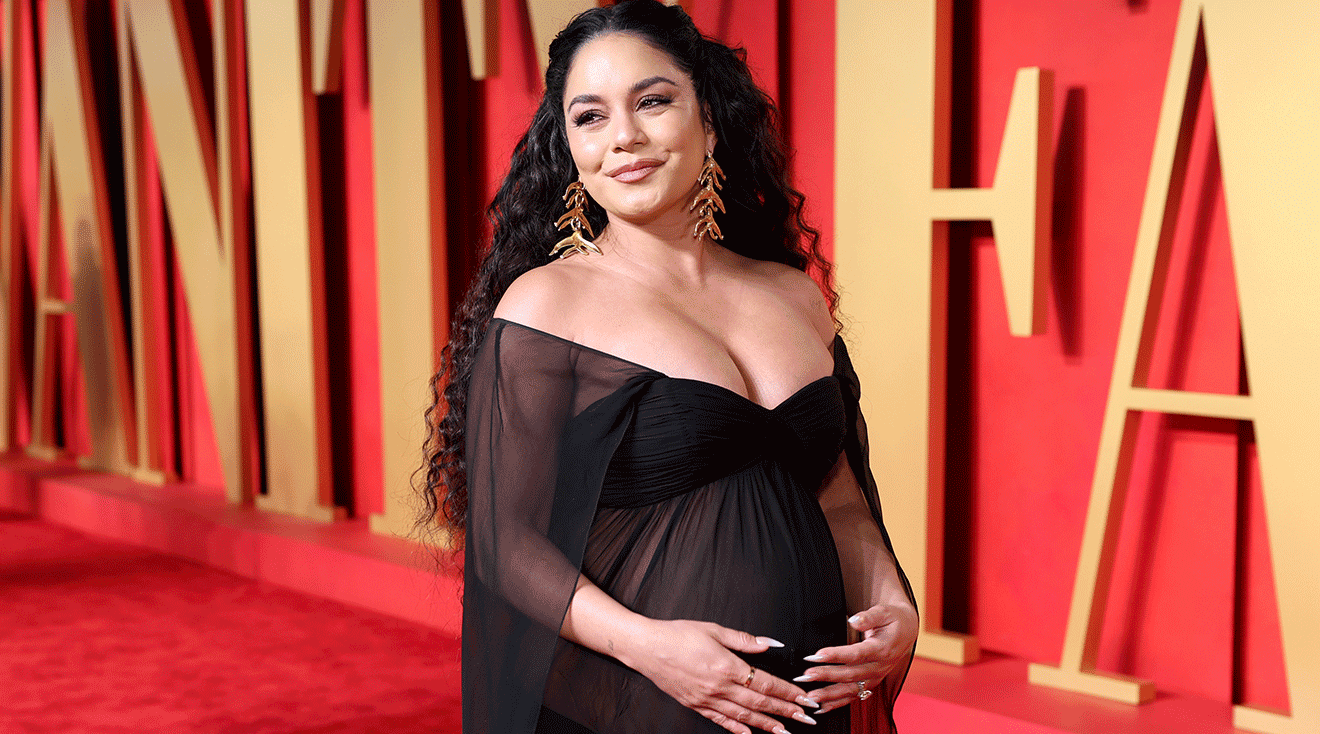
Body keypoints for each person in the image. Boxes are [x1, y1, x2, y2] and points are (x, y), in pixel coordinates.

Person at [418, 2, 918, 733]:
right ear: (568, 143)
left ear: (708, 119)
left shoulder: (792, 294)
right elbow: (508, 544)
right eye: (590, 117)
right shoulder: (548, 305)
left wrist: (892, 599)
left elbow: (838, 494)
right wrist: (653, 650)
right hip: (640, 701)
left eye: (653, 102)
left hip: (807, 702)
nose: (624, 137)